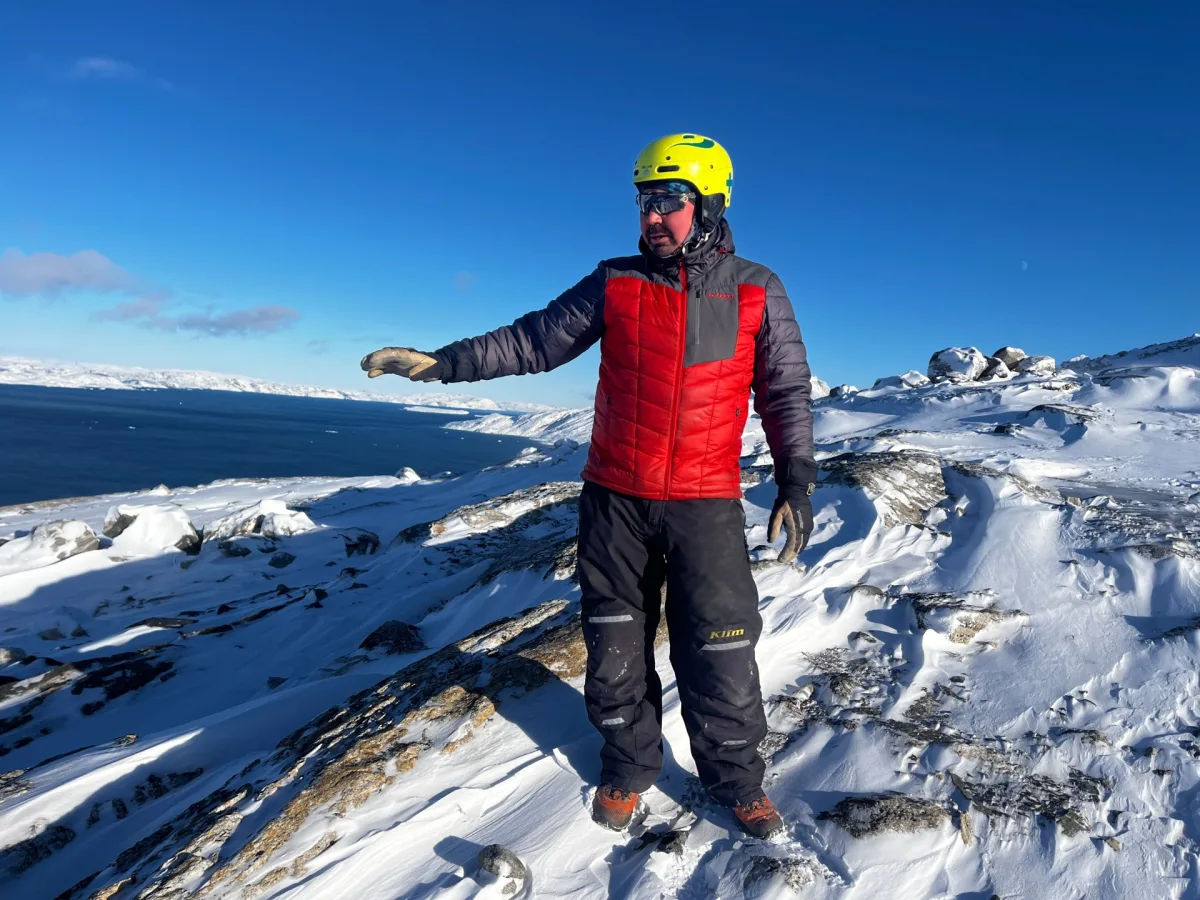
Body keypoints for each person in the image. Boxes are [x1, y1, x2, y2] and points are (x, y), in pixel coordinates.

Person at [360, 134, 815, 840]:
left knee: (721, 651)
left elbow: (784, 392)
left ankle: (736, 783)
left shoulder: (757, 289)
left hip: (706, 506)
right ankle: (629, 769)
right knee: (613, 650)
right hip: (616, 503)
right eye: (644, 202)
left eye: (669, 201)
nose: (652, 218)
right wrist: (441, 364)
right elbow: (534, 340)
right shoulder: (615, 281)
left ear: (711, 204)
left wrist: (797, 480)